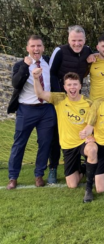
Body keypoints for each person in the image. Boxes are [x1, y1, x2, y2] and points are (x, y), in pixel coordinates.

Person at [33, 71, 97, 202]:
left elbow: (95, 123)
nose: (72, 87)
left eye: (75, 84)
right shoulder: (59, 98)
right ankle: (84, 168)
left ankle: (89, 186)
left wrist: (92, 136)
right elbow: (40, 94)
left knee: (92, 149)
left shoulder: (89, 103)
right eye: (69, 85)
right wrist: (35, 78)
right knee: (72, 184)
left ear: (80, 86)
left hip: (83, 142)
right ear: (64, 87)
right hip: (68, 144)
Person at [6, 35, 56, 189]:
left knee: (45, 143)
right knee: (19, 143)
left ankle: (39, 175)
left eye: (39, 46)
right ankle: (13, 177)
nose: (36, 49)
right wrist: (24, 67)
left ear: (43, 48)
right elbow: (15, 83)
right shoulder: (21, 64)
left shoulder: (48, 62)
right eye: (33, 46)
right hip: (26, 109)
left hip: (46, 109)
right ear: (27, 48)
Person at [48, 25, 94, 184]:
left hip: (78, 98)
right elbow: (51, 73)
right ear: (68, 39)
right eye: (74, 40)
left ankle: (87, 165)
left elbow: (102, 52)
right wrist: (59, 96)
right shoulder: (59, 51)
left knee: (84, 127)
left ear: (85, 40)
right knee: (56, 133)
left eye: (80, 40)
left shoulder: (88, 50)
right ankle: (53, 167)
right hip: (60, 100)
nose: (77, 44)